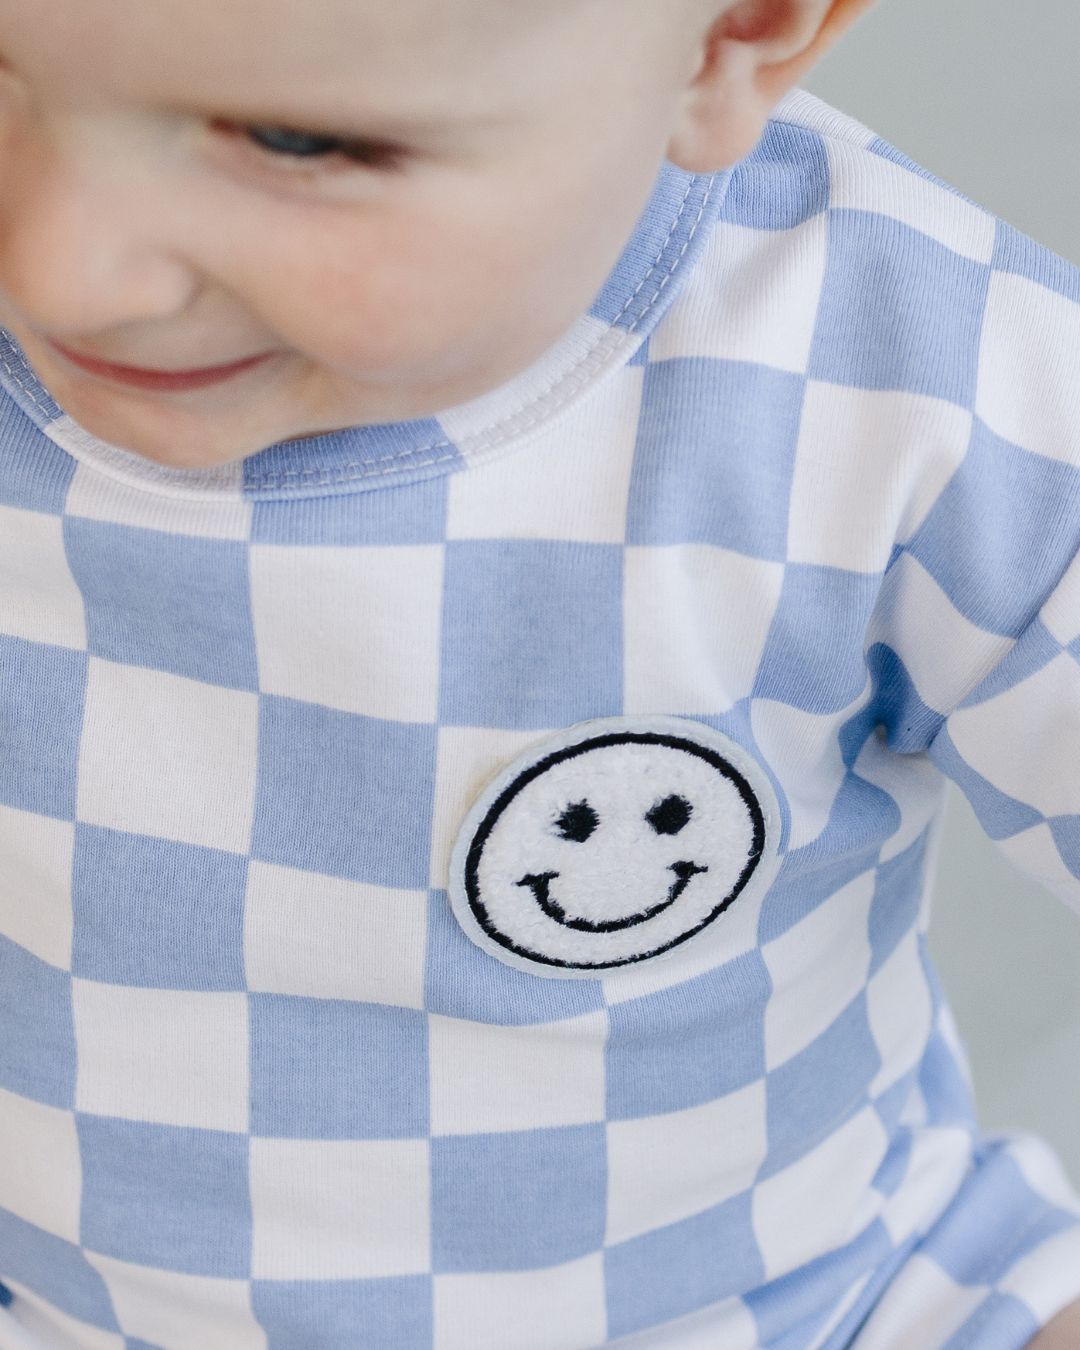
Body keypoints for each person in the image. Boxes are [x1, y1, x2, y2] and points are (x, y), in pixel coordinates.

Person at [0, 0, 1077, 1345]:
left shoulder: (891, 361)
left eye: (295, 142)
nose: (63, 271)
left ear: (729, 37)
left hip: (829, 1305)